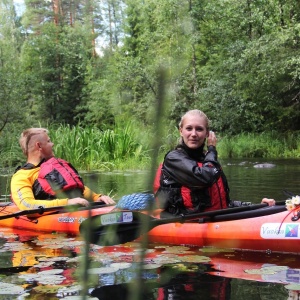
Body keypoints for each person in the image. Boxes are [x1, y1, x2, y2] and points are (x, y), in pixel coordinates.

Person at [154, 109, 275, 216]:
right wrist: (212, 149)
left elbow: (225, 204)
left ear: (207, 133)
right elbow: (205, 177)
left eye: (199, 129)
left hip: (213, 218)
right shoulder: (174, 158)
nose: (194, 134)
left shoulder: (207, 160)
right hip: (183, 221)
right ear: (181, 131)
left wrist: (257, 206)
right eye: (189, 128)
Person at [11, 128, 115, 210]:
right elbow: (27, 205)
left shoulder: (55, 168)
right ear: (39, 146)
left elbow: (79, 189)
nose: (52, 144)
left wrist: (97, 198)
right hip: (52, 218)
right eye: (48, 141)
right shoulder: (22, 176)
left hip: (74, 211)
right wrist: (67, 203)